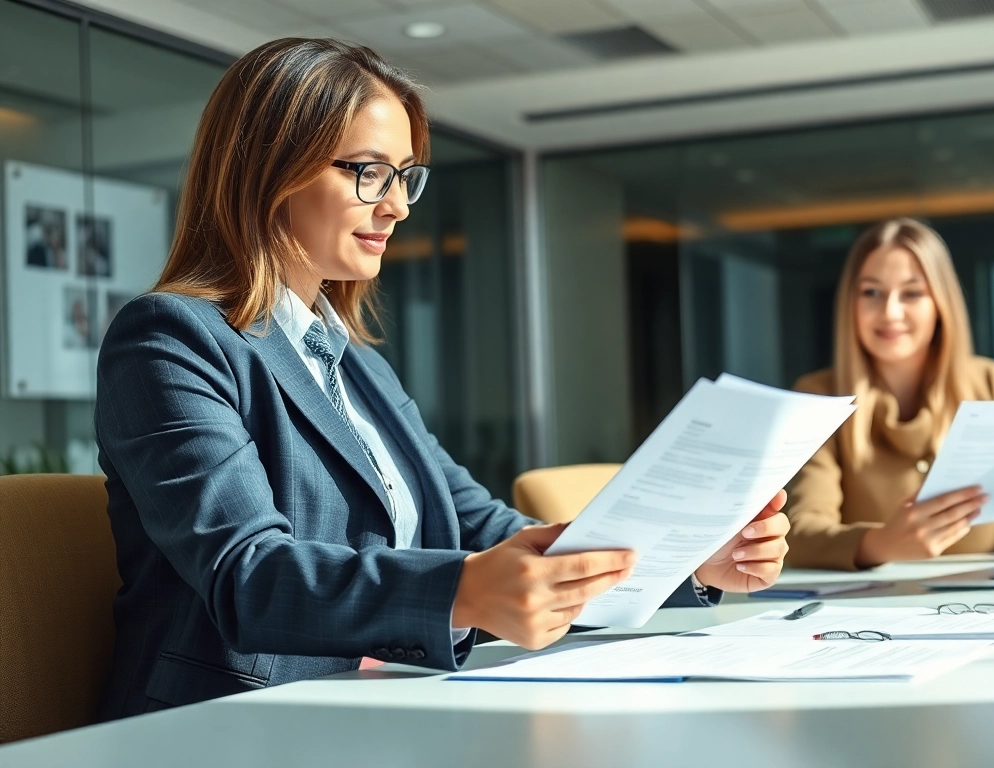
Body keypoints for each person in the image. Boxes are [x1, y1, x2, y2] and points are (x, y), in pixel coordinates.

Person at [95, 38, 790, 721]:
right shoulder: (171, 337)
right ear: (271, 168)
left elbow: (481, 527)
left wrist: (685, 561)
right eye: (369, 172)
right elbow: (250, 576)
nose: (396, 205)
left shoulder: (356, 363)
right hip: (233, 724)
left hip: (389, 706)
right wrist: (461, 589)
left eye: (404, 176)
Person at [783, 219, 994, 570]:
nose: (890, 312)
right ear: (850, 303)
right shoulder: (818, 398)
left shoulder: (989, 385)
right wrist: (880, 544)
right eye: (871, 292)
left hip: (992, 607)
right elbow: (799, 531)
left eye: (912, 293)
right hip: (873, 610)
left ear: (941, 302)